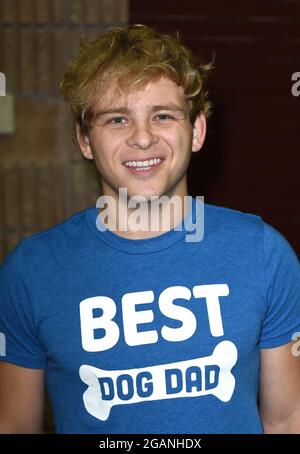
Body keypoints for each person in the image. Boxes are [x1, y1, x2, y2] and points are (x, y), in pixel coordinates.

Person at [0, 24, 299, 435]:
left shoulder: (264, 253)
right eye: (117, 119)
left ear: (196, 131)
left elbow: (286, 420)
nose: (142, 138)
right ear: (85, 140)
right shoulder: (30, 272)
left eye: (162, 115)